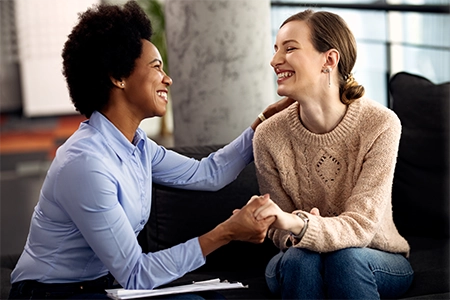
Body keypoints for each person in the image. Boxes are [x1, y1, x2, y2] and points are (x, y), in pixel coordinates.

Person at [8, 2, 293, 299]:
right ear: (118, 76)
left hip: (101, 286)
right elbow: (136, 274)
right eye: (156, 67)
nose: (167, 78)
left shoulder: (139, 146)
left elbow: (209, 172)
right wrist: (226, 233)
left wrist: (262, 123)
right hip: (48, 293)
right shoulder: (85, 164)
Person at [252, 9, 414, 300]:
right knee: (302, 260)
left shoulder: (381, 125)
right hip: (298, 258)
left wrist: (300, 224)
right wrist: (296, 232)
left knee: (346, 259)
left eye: (289, 49)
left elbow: (362, 226)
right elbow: (278, 230)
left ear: (329, 59)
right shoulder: (268, 135)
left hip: (373, 255)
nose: (275, 61)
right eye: (276, 49)